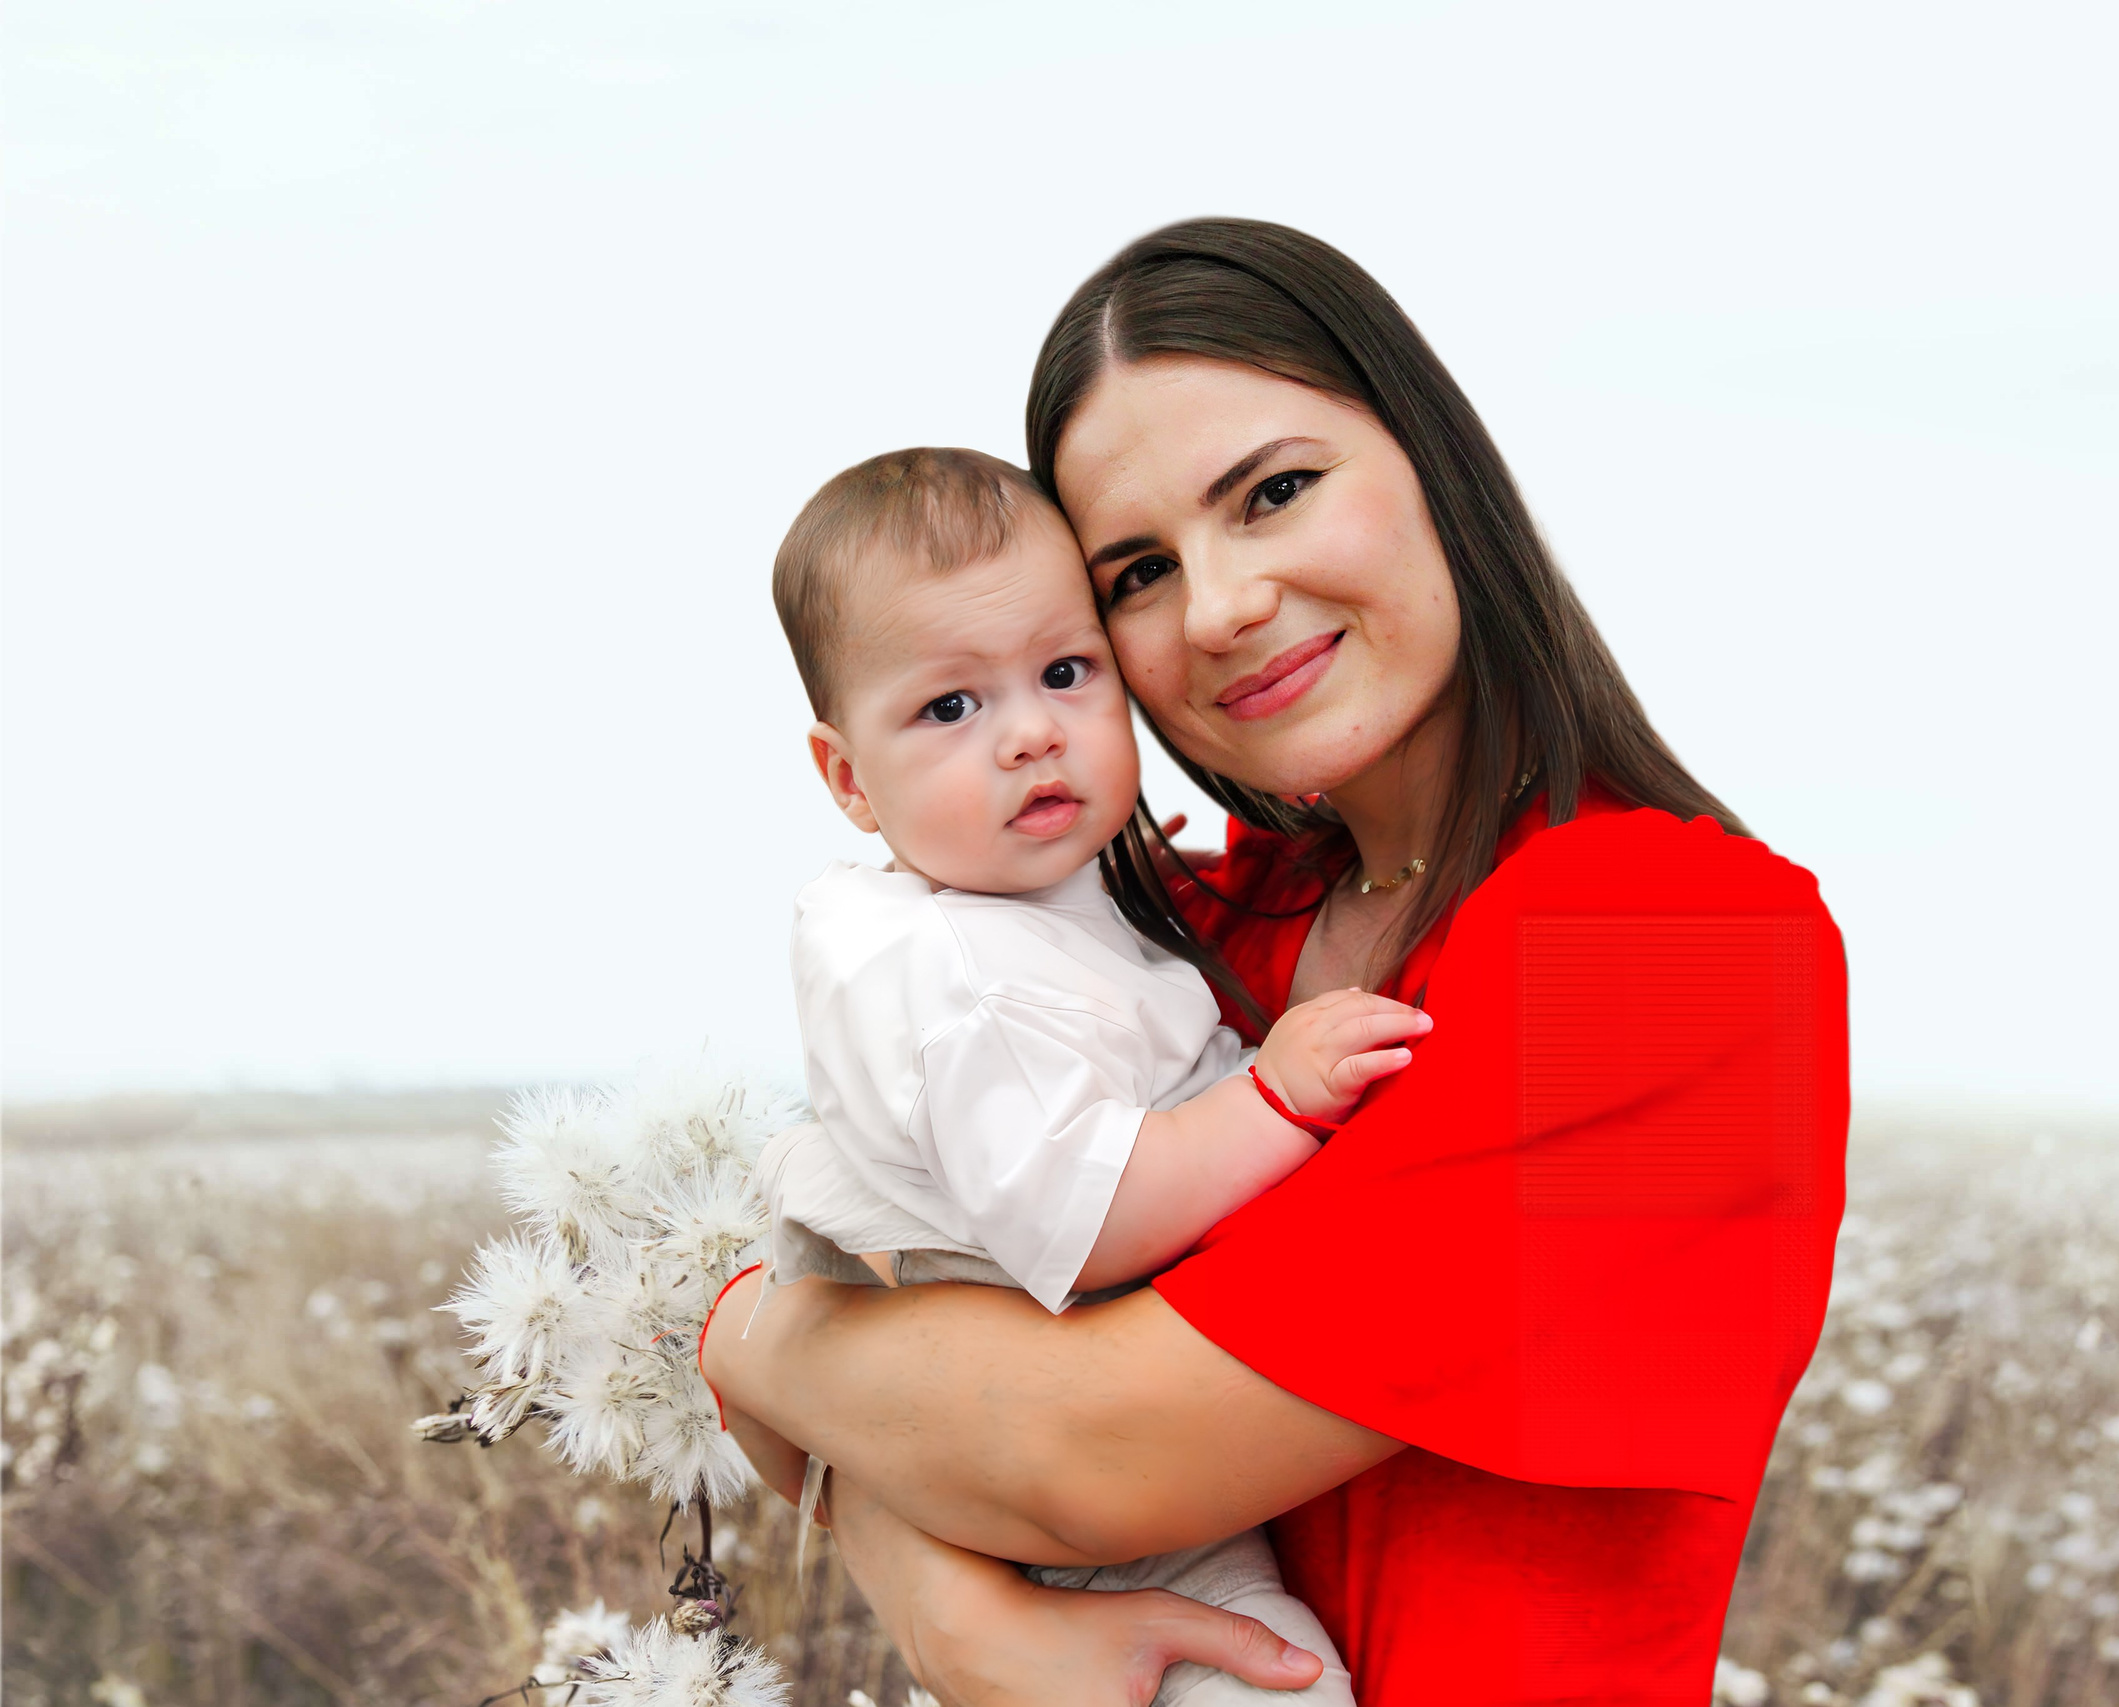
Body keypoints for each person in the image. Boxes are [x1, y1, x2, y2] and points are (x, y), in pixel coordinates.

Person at [703, 219, 1849, 1707]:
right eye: (1138, 571)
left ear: (1435, 458)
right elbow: (931, 1348)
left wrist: (743, 1337)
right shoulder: (1192, 930)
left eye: (1276, 491)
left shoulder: (1674, 949)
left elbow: (1087, 1456)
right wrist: (946, 1608)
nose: (1221, 606)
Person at [743, 443, 1429, 1704]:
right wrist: (1272, 1099)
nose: (1030, 735)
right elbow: (1095, 1214)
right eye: (950, 708)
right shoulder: (961, 974)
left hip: (1049, 1457)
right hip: (1106, 1529)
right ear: (846, 778)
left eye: (1065, 673)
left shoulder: (1033, 914)